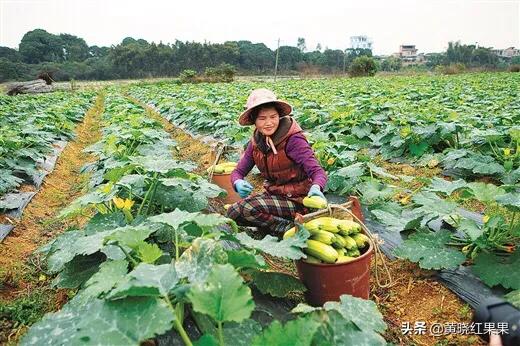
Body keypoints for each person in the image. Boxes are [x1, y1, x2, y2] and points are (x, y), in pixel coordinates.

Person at [226, 88, 328, 235]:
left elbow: (317, 171)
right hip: (275, 197)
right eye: (262, 118)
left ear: (279, 116)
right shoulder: (256, 143)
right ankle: (279, 225)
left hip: (299, 200)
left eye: (273, 117)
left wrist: (317, 187)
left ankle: (292, 228)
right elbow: (238, 171)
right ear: (254, 121)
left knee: (248, 208)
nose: (268, 123)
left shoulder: (293, 140)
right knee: (232, 213)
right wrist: (237, 182)